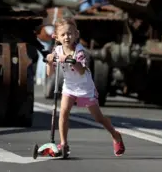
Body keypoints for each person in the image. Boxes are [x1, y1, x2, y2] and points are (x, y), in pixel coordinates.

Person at [45, 17, 125, 157]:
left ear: (76, 34)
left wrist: (70, 60)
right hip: (69, 87)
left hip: (84, 87)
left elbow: (81, 70)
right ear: (56, 37)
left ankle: (115, 134)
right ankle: (63, 144)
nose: (67, 37)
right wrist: (49, 62)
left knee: (98, 117)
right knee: (63, 113)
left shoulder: (79, 51)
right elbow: (50, 73)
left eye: (70, 33)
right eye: (63, 35)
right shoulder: (57, 50)